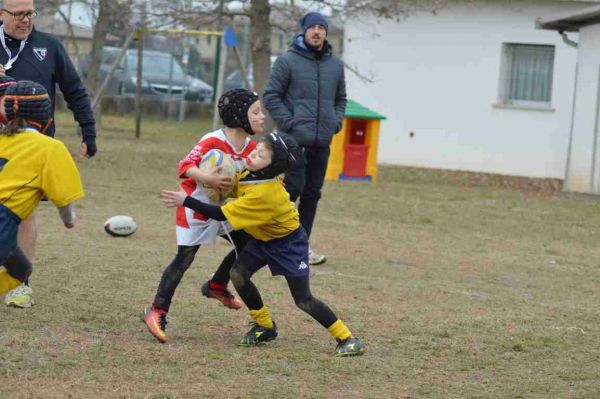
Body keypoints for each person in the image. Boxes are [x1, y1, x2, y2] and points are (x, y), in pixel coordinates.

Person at [162, 132, 365, 357]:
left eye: (260, 155)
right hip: (263, 239)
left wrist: (186, 200)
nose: (253, 155)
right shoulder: (252, 172)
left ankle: (347, 337)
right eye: (256, 149)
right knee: (238, 273)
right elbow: (232, 186)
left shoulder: (265, 193)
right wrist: (211, 179)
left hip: (288, 244)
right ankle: (265, 326)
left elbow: (221, 214)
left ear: (270, 167)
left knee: (303, 299)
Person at [143, 88, 264, 344]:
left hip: (226, 207)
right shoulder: (212, 140)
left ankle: (216, 286)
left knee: (249, 246)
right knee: (185, 258)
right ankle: (157, 310)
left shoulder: (251, 146)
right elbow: (185, 166)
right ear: (240, 116)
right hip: (195, 204)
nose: (262, 116)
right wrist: (207, 178)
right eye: (256, 112)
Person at [1, 0, 97, 307]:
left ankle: (19, 286)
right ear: (1, 14)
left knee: (26, 210)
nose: (25, 20)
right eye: (18, 14)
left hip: (33, 146)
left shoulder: (49, 46)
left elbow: (74, 89)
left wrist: (88, 128)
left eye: (30, 13)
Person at [263, 11, 347, 266]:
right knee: (292, 190)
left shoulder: (336, 65)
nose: (318, 31)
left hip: (322, 142)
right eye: (313, 27)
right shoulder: (287, 61)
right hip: (294, 141)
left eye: (322, 27)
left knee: (312, 194)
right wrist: (290, 123)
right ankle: (274, 240)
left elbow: (341, 99)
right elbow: (271, 96)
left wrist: (336, 121)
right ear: (304, 30)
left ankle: (301, 245)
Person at [0, 80, 84, 297]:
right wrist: (69, 220)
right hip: (3, 223)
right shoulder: (51, 148)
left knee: (21, 268)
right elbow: (63, 199)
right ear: (46, 116)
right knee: (21, 270)